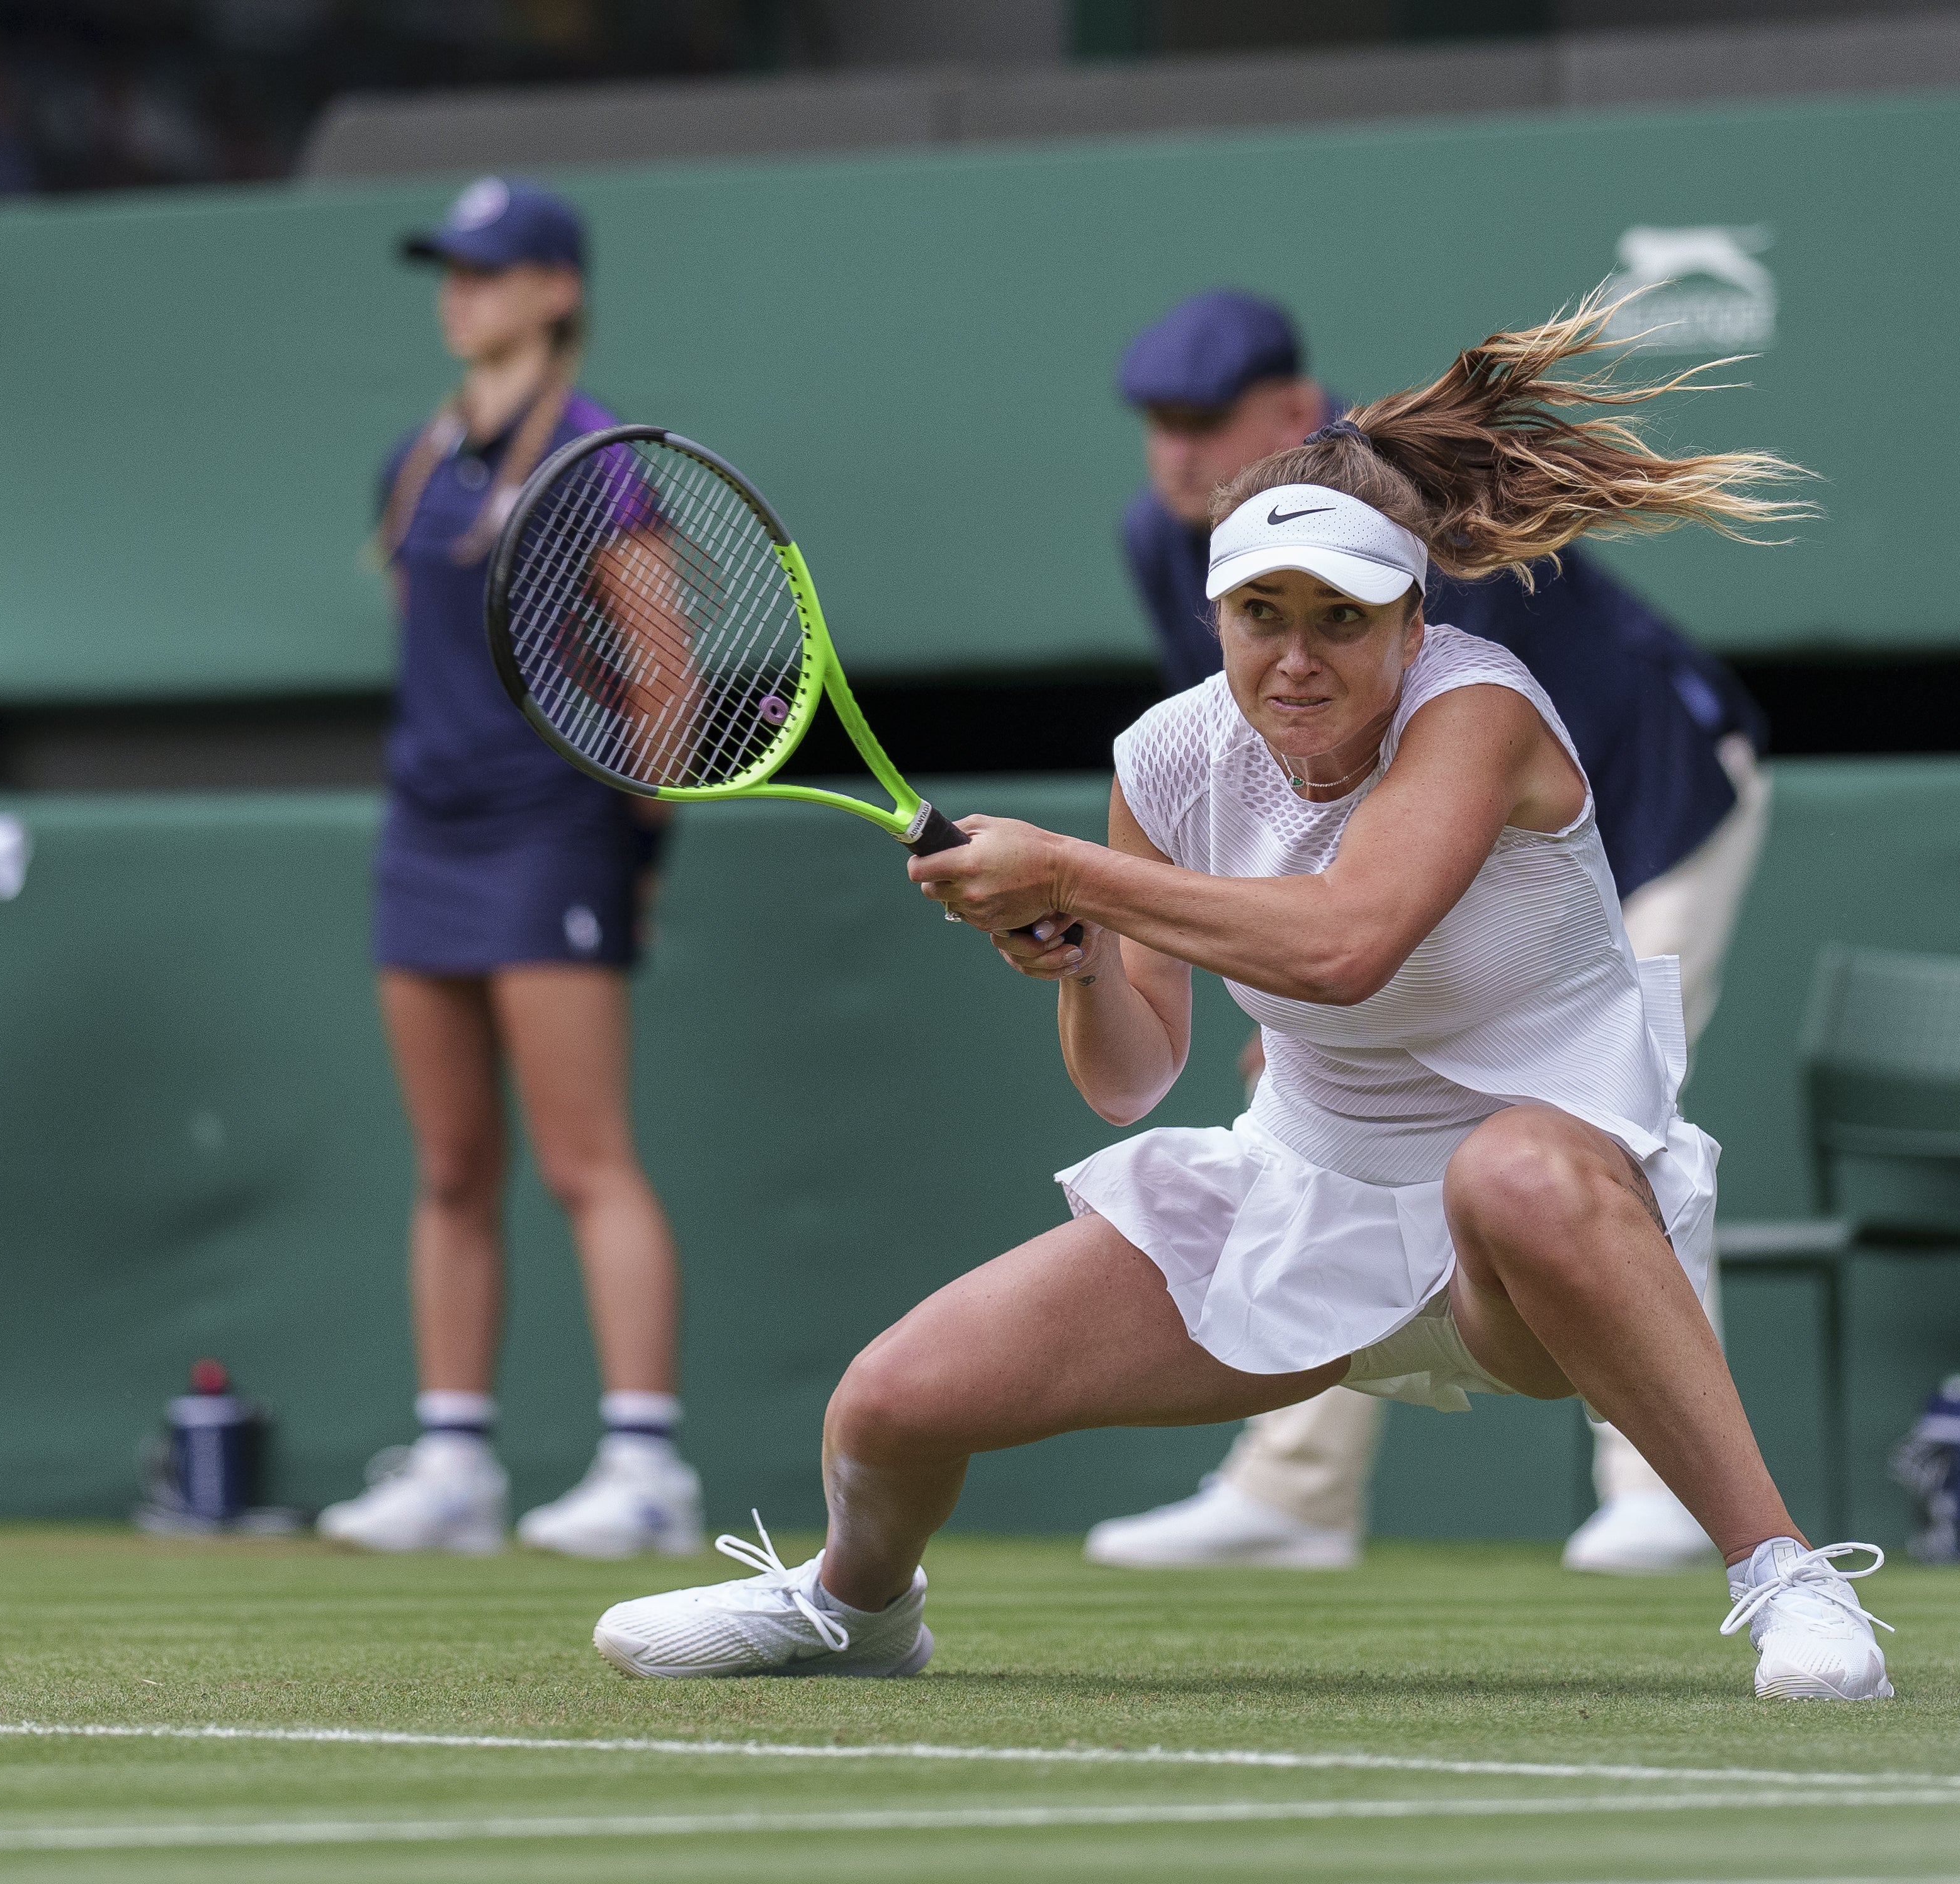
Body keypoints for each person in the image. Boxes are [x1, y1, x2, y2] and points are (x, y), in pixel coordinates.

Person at [589, 302, 1894, 1701]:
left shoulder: (1481, 710)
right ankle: (854, 1602)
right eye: (1259, 614)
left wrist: (1072, 870)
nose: (1295, 657)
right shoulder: (1164, 757)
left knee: (1513, 1162)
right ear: (1212, 610)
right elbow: (1131, 1078)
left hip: (1529, 1237)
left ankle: (1786, 1574)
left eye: (1342, 619)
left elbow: (1344, 946)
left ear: (1411, 621)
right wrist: (1083, 952)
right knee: (889, 1402)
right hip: (1303, 1208)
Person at [1087, 290, 1772, 1577]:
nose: (1177, 453)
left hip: (1650, 806)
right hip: (1424, 857)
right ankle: (1293, 1496)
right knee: (1348, 1135)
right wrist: (1315, 990)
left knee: (1614, 1129)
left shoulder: (1414, 547)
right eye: (1157, 425)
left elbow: (1447, 810)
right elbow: (1273, 776)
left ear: (1291, 414)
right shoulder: (1165, 535)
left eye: (1205, 422)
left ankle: (1663, 1484)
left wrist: (1336, 973)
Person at [313, 177, 702, 1559]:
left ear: (555, 291)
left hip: (555, 835)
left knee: (586, 1157)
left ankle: (647, 1465)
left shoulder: (600, 459)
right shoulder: (411, 461)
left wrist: (631, 844)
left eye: (488, 270)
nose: (459, 291)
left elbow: (663, 680)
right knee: (449, 1161)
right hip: (425, 832)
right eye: (449, 269)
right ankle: (455, 1459)